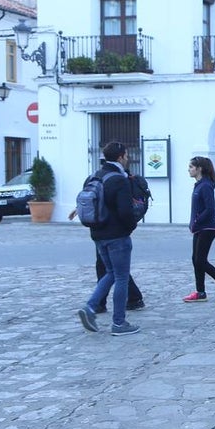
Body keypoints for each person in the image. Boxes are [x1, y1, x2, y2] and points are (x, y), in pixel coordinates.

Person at [76, 142, 140, 336]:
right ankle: (119, 323)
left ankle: (90, 307)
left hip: (97, 234)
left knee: (110, 272)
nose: (128, 158)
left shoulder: (92, 176)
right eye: (126, 155)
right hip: (117, 235)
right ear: (120, 157)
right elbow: (125, 212)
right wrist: (130, 227)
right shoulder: (119, 180)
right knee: (121, 276)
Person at [68, 160, 146, 313]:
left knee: (112, 270)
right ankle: (119, 307)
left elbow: (119, 207)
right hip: (110, 230)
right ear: (121, 157)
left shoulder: (107, 178)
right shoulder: (111, 178)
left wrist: (128, 227)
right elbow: (93, 199)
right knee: (114, 269)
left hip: (105, 230)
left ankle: (102, 305)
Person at [183, 156, 215, 304]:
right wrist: (193, 223)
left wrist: (196, 221)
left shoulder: (205, 186)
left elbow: (210, 209)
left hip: (208, 228)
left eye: (191, 167)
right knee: (196, 259)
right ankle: (200, 292)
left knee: (200, 260)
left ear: (199, 169)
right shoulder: (199, 185)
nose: (189, 169)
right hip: (199, 228)